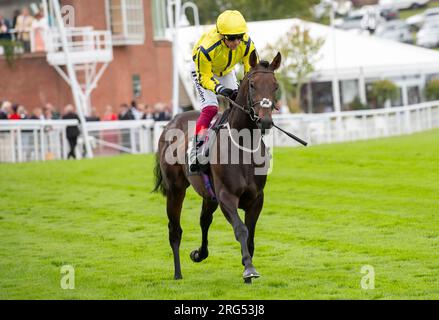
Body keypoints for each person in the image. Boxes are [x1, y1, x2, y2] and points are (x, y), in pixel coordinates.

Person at [187, 10, 257, 173]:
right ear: (221, 35)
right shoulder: (207, 48)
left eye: (239, 36)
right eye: (231, 38)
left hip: (225, 71)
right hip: (203, 71)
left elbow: (251, 71)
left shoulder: (247, 44)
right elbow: (204, 78)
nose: (236, 42)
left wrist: (245, 88)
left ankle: (238, 144)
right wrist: (219, 89)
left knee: (239, 105)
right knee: (211, 108)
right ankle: (195, 149)